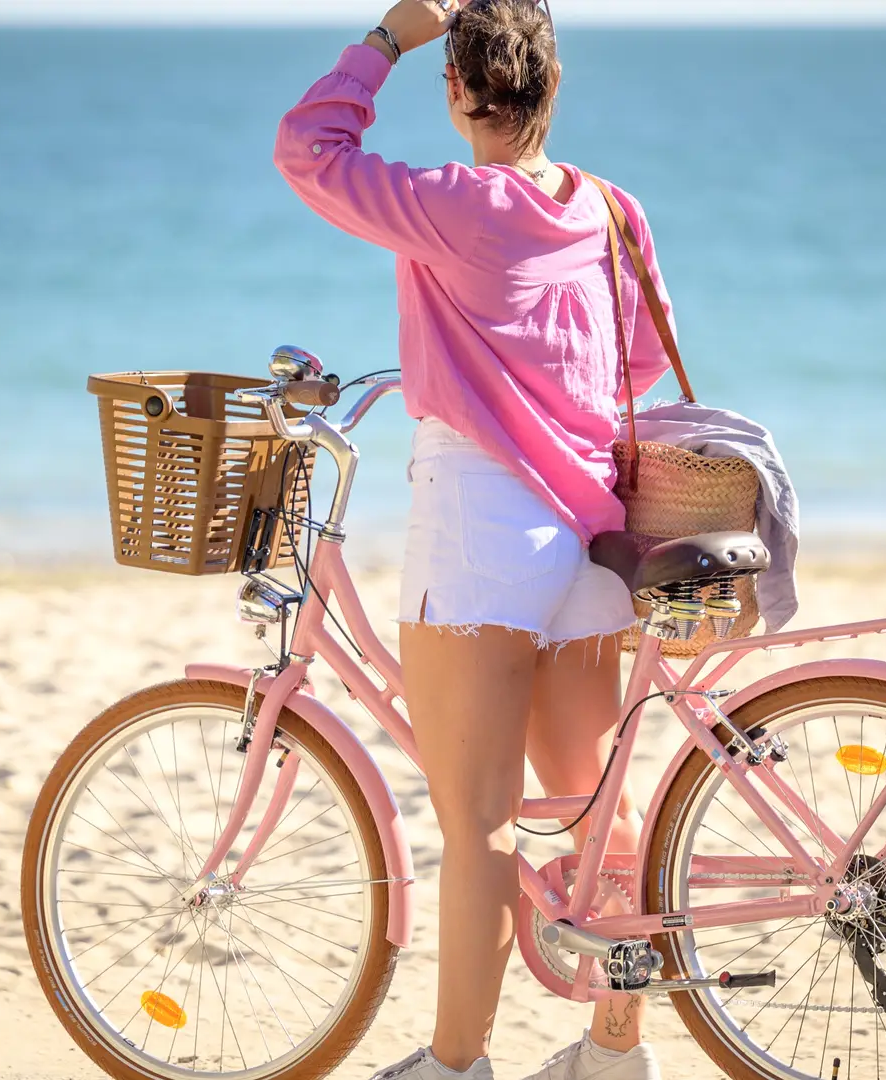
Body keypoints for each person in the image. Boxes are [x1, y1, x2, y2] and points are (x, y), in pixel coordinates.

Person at [275, 2, 675, 1078]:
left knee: (482, 823)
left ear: (460, 91)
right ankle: (613, 1054)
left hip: (483, 528)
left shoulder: (455, 204)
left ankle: (456, 1066)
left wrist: (383, 41)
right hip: (593, 536)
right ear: (551, 88)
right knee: (599, 810)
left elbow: (308, 152)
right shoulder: (609, 209)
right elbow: (633, 369)